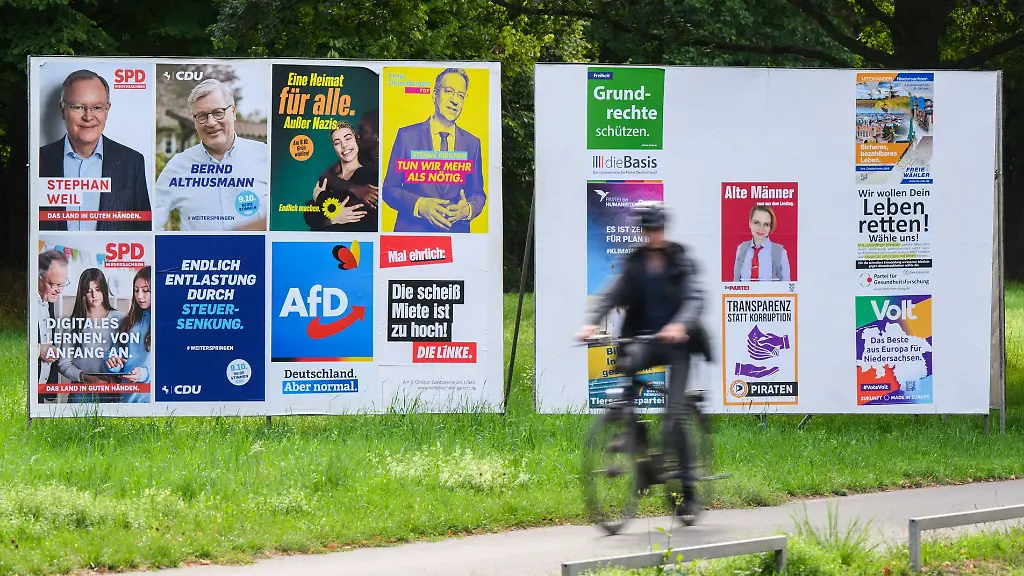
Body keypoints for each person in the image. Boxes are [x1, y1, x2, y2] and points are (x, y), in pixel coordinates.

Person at [576, 201, 711, 521]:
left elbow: (694, 297)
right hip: (644, 341)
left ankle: (688, 491)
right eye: (648, 229)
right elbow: (611, 294)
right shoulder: (635, 263)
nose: (653, 234)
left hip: (677, 344)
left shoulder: (680, 260)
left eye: (658, 228)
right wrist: (592, 322)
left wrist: (681, 324)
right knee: (625, 383)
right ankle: (637, 444)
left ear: (664, 228)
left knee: (673, 418)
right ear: (642, 231)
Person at [38, 69, 152, 231]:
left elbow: (144, 228)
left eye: (97, 107)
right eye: (78, 107)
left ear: (107, 110)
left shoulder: (132, 162)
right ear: (63, 110)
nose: (88, 116)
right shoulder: (39, 160)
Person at [153, 78, 269, 232]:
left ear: (233, 112)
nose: (211, 122)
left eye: (218, 112)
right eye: (201, 116)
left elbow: (285, 213)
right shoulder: (178, 165)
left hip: (254, 255)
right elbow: (151, 221)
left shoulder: (265, 157)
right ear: (194, 121)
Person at [381, 68, 486, 233]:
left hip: (456, 237)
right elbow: (389, 189)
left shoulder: (472, 143)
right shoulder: (406, 135)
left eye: (460, 95)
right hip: (412, 238)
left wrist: (467, 210)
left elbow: (478, 194)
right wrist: (420, 205)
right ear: (435, 94)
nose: (455, 101)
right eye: (449, 91)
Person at [54, 267, 124, 403]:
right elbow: (63, 364)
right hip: (81, 391)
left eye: (97, 289)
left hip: (112, 390)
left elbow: (128, 356)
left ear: (104, 289)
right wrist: (87, 378)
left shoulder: (121, 320)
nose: (94, 295)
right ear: (82, 294)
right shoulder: (73, 323)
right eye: (88, 291)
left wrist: (119, 377)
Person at [303, 122, 378, 232]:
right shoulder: (328, 179)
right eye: (337, 143)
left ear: (356, 139)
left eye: (348, 138)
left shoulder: (370, 174)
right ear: (334, 147)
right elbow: (309, 216)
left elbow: (357, 214)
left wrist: (320, 197)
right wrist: (332, 219)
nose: (344, 145)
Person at [106, 266, 152, 403]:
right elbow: (115, 355)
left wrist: (144, 374)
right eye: (136, 290)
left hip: (154, 402)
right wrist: (112, 363)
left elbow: (172, 367)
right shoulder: (127, 322)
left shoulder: (168, 323)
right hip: (127, 401)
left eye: (145, 290)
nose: (139, 296)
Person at [37, 250, 70, 401]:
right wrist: (38, 349)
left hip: (42, 392)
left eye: (62, 284)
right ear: (38, 276)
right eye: (54, 284)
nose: (59, 290)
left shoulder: (49, 302)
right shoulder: (23, 304)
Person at [732, 204, 790, 282]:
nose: (761, 228)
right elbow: (735, 284)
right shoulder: (741, 249)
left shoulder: (780, 253)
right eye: (756, 223)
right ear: (750, 223)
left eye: (766, 224)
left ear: (770, 227)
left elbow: (786, 288)